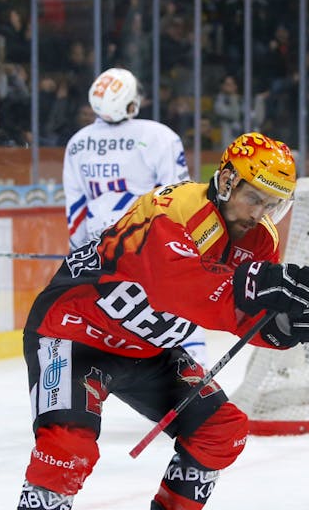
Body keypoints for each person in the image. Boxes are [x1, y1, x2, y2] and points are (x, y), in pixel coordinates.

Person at [10, 132, 309, 510]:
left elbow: (243, 310)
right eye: (256, 198)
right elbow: (175, 288)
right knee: (66, 452)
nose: (262, 212)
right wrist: (257, 284)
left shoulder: (261, 238)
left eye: (274, 204)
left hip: (149, 351)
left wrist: (283, 327)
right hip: (75, 334)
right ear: (228, 180)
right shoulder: (173, 207)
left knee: (220, 431)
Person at [62, 67, 211, 366]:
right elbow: (179, 196)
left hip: (103, 247)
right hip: (148, 243)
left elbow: (76, 205)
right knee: (175, 309)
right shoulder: (158, 135)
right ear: (130, 104)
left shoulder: (78, 142)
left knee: (114, 318)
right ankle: (195, 377)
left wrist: (80, 251)